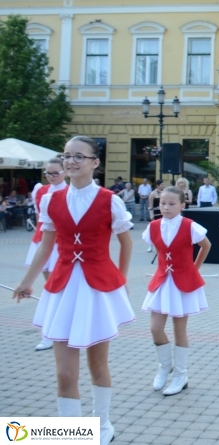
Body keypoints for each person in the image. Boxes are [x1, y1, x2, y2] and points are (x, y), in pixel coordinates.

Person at [12, 136, 134, 445]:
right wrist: (28, 280)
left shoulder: (110, 199)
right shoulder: (50, 200)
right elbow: (46, 245)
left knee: (97, 365)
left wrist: (121, 279)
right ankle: (73, 436)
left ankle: (103, 424)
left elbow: (126, 241)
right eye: (67, 156)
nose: (71, 161)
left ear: (95, 162)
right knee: (65, 373)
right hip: (64, 287)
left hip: (97, 288)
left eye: (79, 156)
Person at [142, 186, 211, 396]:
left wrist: (194, 268)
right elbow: (160, 250)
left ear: (182, 205)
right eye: (163, 203)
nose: (166, 207)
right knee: (155, 327)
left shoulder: (190, 226)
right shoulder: (153, 227)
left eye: (172, 204)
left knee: (179, 330)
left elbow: (206, 246)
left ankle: (181, 375)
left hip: (183, 283)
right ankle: (165, 366)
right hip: (163, 281)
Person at [25, 158, 68, 351]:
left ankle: (60, 328)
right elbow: (39, 218)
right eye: (48, 173)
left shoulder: (70, 192)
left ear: (64, 172)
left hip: (63, 244)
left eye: (55, 173)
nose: (51, 177)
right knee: (49, 286)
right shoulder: (40, 191)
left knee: (59, 287)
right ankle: (49, 332)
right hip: (44, 240)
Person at [147, 180, 165, 253]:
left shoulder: (164, 193)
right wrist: (151, 214)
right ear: (157, 185)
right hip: (155, 213)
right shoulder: (152, 193)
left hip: (162, 213)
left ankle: (160, 245)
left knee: (162, 230)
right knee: (153, 230)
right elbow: (150, 205)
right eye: (162, 184)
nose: (163, 186)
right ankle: (150, 245)